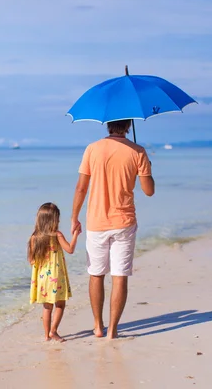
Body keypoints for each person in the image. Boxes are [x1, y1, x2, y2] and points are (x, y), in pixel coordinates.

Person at [71, 119, 154, 339]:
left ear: (107, 124)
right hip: (124, 222)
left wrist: (74, 217)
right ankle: (113, 330)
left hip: (96, 223)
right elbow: (149, 191)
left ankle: (98, 326)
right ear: (129, 125)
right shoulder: (138, 151)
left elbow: (81, 187)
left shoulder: (92, 149)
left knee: (96, 274)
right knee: (120, 276)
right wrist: (145, 168)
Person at [28, 202, 80, 342]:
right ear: (53, 220)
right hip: (56, 277)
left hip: (42, 278)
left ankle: (46, 335)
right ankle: (53, 331)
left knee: (47, 307)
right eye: (57, 219)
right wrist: (75, 234)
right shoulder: (57, 235)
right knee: (60, 305)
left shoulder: (34, 237)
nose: (58, 221)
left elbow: (31, 261)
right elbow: (70, 249)